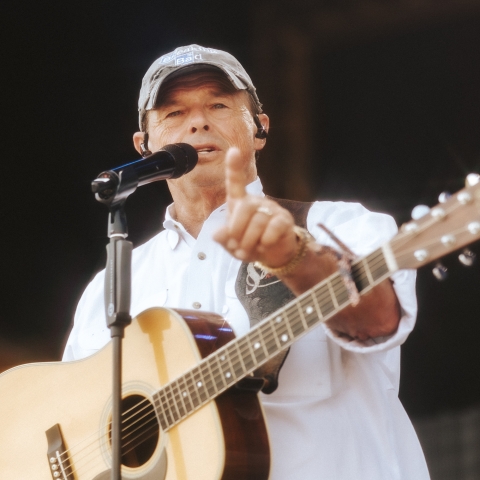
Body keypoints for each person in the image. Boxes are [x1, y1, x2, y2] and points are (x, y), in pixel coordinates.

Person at [63, 44, 430, 479]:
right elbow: (70, 426)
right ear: (144, 145)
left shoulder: (338, 225)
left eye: (218, 105)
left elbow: (378, 320)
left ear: (260, 128)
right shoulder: (110, 287)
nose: (198, 122)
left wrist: (294, 258)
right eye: (174, 113)